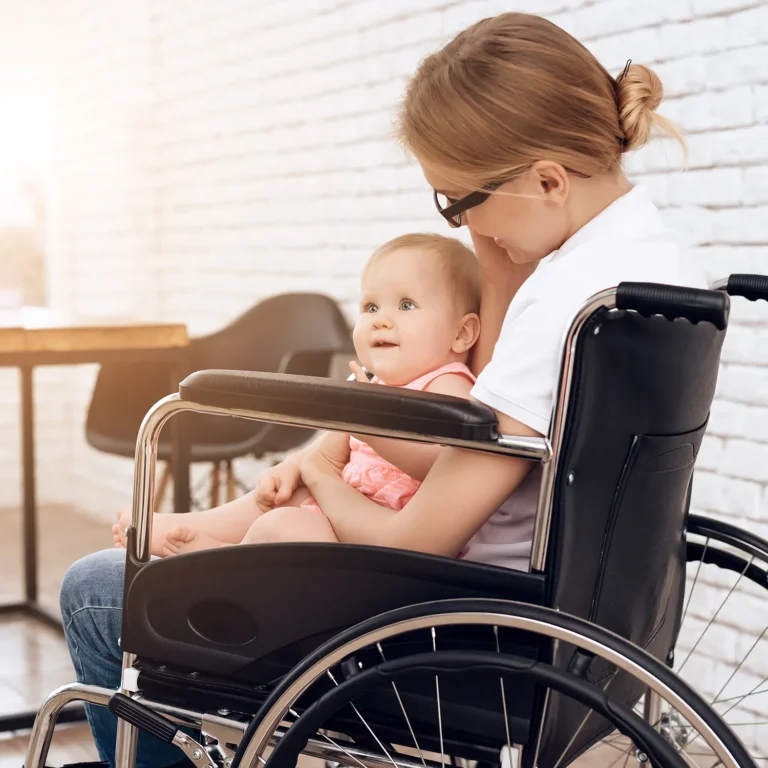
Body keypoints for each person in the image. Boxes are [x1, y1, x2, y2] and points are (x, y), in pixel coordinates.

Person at [60, 13, 705, 767]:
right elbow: (481, 423)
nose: (460, 223)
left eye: (458, 202)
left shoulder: (562, 303)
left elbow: (415, 537)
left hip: (453, 624)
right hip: (577, 626)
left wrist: (323, 469)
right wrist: (495, 262)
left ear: (547, 181)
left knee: (99, 589)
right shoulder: (648, 266)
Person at [133, 233, 480, 555]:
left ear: (461, 334)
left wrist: (369, 427)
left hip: (376, 535)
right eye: (371, 307)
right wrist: (291, 465)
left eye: (406, 305)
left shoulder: (447, 383)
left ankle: (218, 558)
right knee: (278, 498)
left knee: (284, 526)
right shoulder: (374, 385)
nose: (381, 320)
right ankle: (193, 528)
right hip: (339, 510)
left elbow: (445, 464)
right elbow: (325, 454)